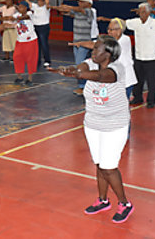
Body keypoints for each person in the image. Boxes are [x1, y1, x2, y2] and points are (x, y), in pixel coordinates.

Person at [49, 36, 133, 223]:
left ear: (108, 54)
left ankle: (124, 203)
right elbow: (83, 68)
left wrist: (78, 75)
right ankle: (103, 200)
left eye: (97, 49)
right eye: (93, 49)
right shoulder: (91, 63)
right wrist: (73, 70)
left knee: (109, 167)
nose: (93, 52)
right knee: (99, 164)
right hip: (93, 124)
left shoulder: (117, 68)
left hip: (114, 125)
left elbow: (103, 77)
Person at [72, 18, 138, 101]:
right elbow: (95, 43)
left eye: (111, 29)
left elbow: (96, 45)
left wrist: (82, 43)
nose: (109, 32)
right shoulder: (109, 40)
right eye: (108, 29)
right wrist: (80, 43)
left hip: (125, 79)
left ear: (119, 30)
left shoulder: (124, 40)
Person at [53, 0, 95, 95]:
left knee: (79, 65)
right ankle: (85, 85)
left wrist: (70, 7)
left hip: (84, 43)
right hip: (76, 42)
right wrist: (59, 8)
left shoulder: (90, 11)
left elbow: (78, 10)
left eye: (82, 2)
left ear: (88, 3)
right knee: (81, 64)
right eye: (79, 2)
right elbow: (66, 12)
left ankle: (82, 87)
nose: (79, 3)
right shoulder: (78, 12)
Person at [9, 1, 39, 85]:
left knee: (30, 59)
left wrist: (17, 18)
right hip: (20, 41)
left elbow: (26, 17)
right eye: (19, 7)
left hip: (31, 40)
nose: (19, 8)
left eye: (21, 7)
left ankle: (30, 79)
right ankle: (20, 77)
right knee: (16, 57)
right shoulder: (17, 14)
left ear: (26, 8)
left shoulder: (30, 13)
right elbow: (11, 18)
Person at [26, 0, 52, 67]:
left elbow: (48, 2)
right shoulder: (35, 6)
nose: (39, 1)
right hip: (36, 27)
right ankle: (37, 60)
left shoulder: (46, 7)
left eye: (41, 0)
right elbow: (27, 2)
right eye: (38, 0)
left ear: (43, 1)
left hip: (44, 27)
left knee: (44, 44)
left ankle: (47, 60)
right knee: (36, 45)